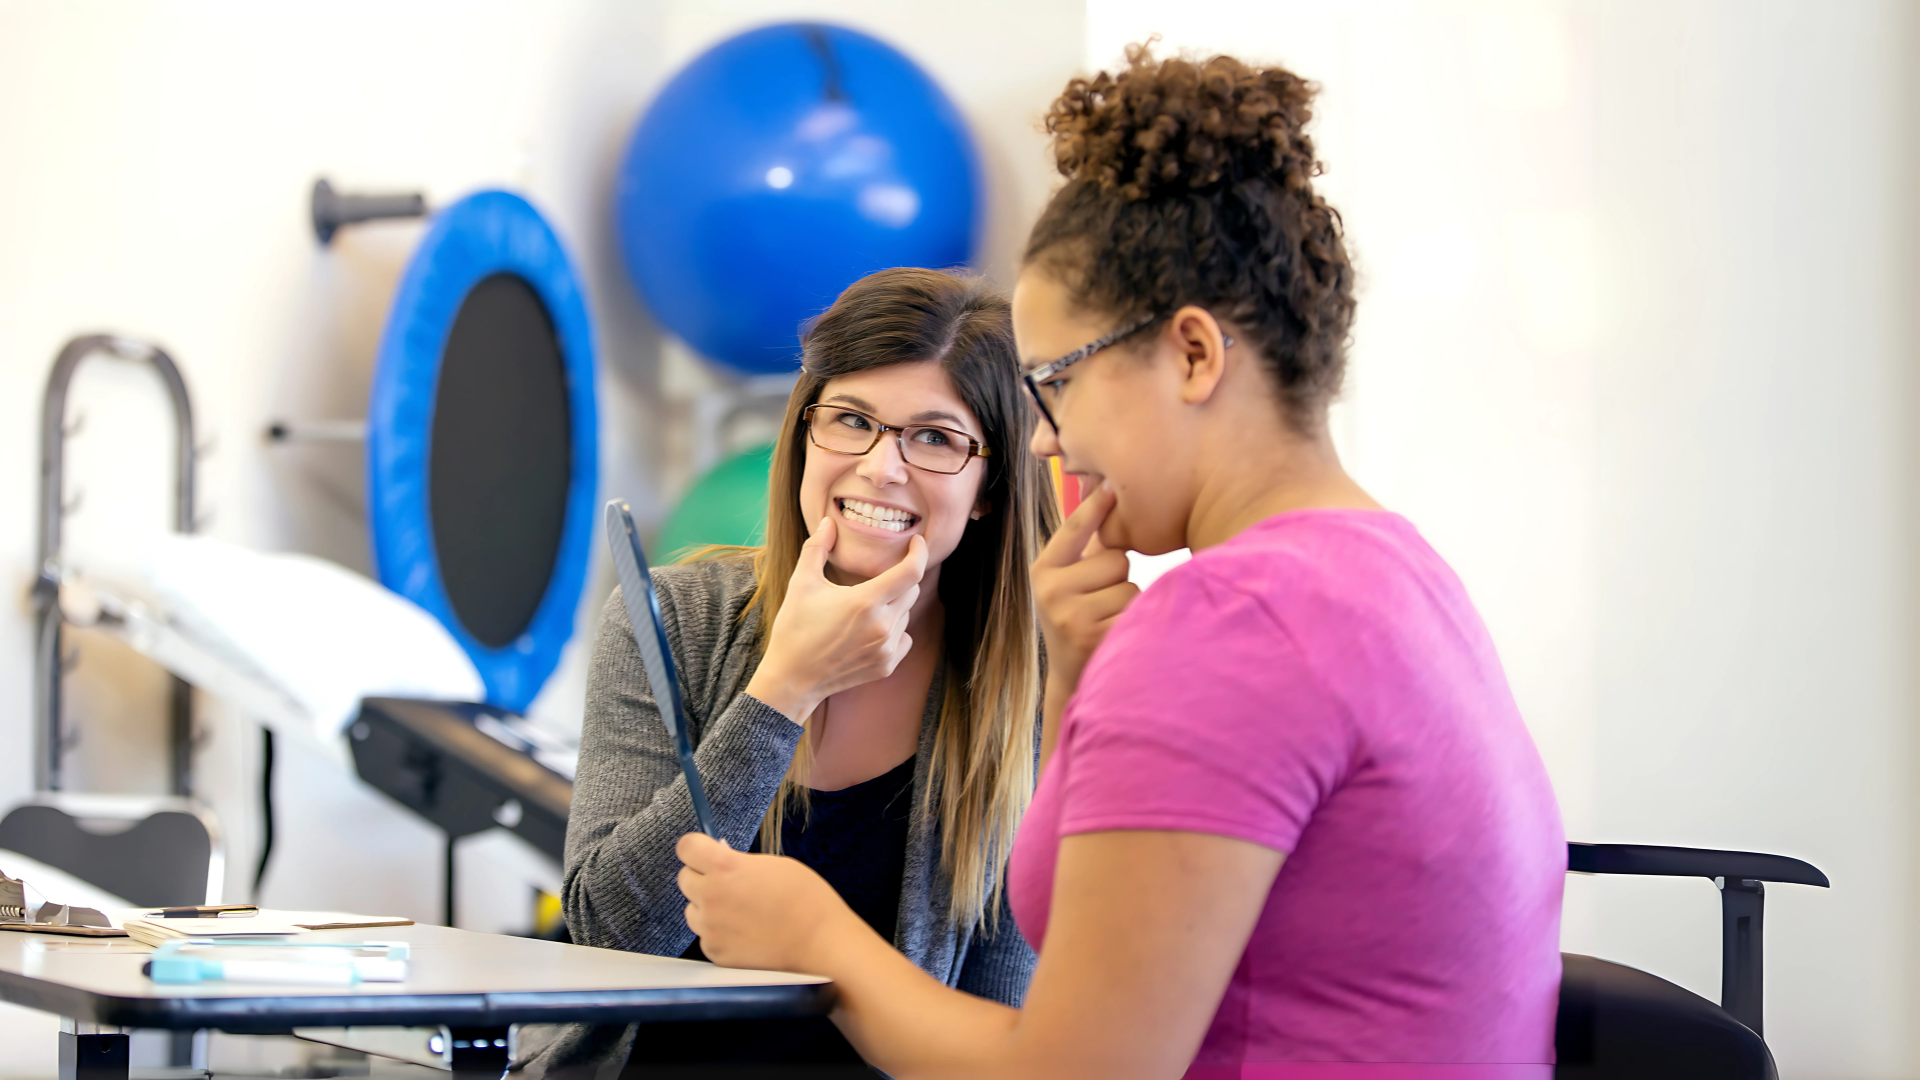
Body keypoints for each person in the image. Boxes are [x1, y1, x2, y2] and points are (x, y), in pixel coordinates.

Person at [673, 46, 1566, 1079]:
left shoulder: (1231, 625)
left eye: (1055, 385)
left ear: (1192, 355)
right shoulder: (1392, 576)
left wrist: (818, 943)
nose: (1046, 439)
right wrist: (1076, 684)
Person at [528, 266, 1058, 1075]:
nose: (882, 467)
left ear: (988, 487)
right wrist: (784, 691)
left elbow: (997, 1027)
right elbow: (609, 938)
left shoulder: (1029, 686)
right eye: (852, 420)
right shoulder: (678, 618)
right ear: (805, 432)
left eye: (936, 438)